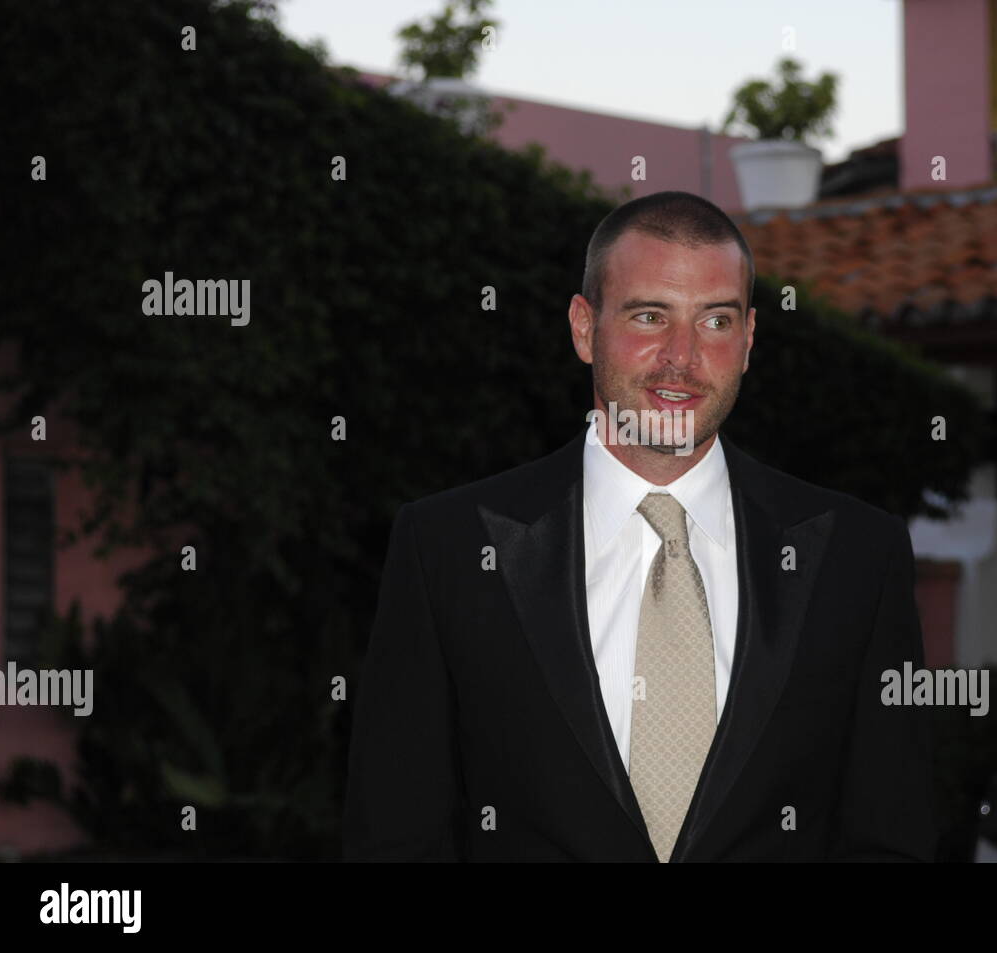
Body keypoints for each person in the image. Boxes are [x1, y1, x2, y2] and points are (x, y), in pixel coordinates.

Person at [343, 190, 936, 862]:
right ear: (583, 326)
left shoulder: (858, 557)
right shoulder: (446, 548)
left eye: (715, 321)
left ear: (747, 342)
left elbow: (891, 836)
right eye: (650, 315)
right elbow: (397, 836)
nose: (681, 356)